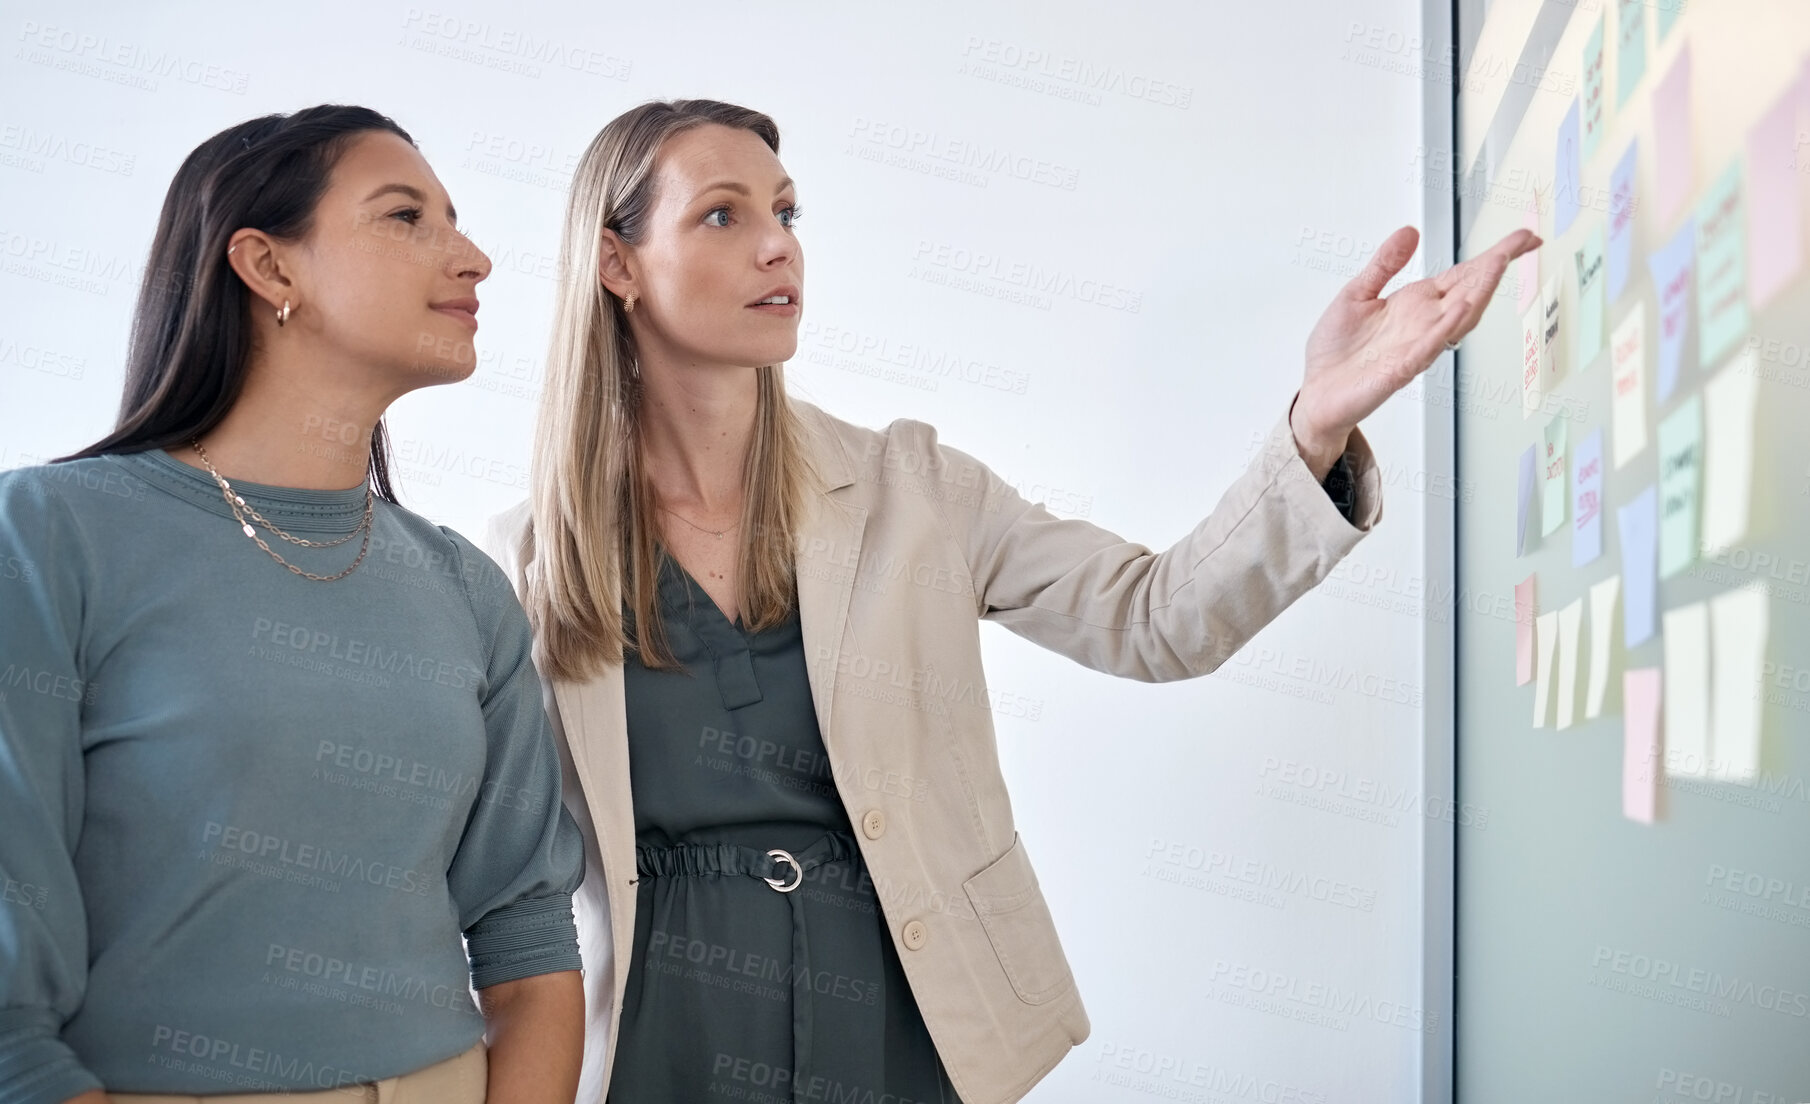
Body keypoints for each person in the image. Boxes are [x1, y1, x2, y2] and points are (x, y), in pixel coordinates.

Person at [483, 98, 1538, 1104]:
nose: (779, 246)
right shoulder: (524, 569)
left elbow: (1153, 619)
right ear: (616, 262)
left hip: (901, 1022)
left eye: (787, 211)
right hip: (667, 1046)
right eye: (724, 213)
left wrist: (1311, 427)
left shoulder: (915, 490)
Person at [0, 106, 585, 1104]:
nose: (474, 257)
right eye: (407, 217)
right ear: (270, 269)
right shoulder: (47, 536)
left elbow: (528, 940)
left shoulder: (463, 588)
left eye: (458, 220)